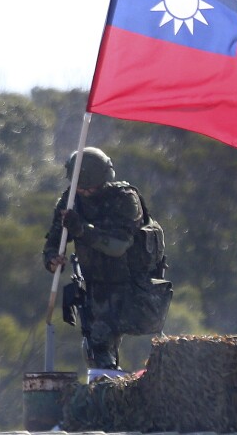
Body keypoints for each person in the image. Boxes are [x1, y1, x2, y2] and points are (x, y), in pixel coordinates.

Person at [41, 147, 156, 374]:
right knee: (96, 349)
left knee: (144, 341)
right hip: (96, 287)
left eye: (89, 187)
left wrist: (82, 230)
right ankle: (109, 389)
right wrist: (52, 259)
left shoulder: (125, 199)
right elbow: (53, 242)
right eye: (81, 187)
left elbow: (119, 246)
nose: (85, 192)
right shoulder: (70, 201)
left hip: (132, 287)